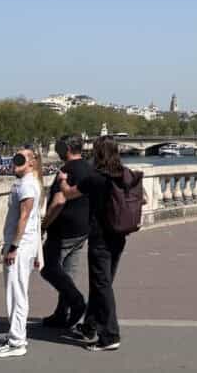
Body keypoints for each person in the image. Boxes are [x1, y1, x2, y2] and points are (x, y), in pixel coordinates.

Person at [58, 135, 140, 351]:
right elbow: (145, 198)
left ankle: (110, 335)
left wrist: (63, 180)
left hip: (100, 237)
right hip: (120, 235)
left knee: (102, 285)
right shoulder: (127, 175)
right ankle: (90, 326)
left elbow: (68, 194)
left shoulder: (96, 178)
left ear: (97, 153)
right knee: (103, 282)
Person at [0, 146, 43, 358]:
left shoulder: (28, 186)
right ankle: (16, 334)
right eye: (15, 158)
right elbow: (35, 221)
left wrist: (13, 247)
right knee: (16, 291)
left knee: (16, 293)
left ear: (31, 163)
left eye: (21, 159)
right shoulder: (27, 183)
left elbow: (25, 218)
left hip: (19, 247)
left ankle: (17, 342)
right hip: (23, 245)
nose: (15, 162)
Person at [39, 135, 93, 330]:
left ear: (67, 149)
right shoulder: (89, 168)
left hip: (63, 230)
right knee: (68, 273)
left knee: (47, 267)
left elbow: (59, 201)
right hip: (83, 229)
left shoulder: (66, 171)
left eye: (60, 147)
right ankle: (62, 313)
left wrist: (44, 225)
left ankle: (76, 301)